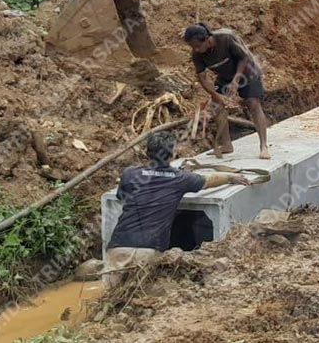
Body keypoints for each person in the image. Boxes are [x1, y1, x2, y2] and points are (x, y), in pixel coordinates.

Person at [104, 131, 253, 287]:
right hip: (149, 249)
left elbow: (122, 196)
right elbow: (209, 180)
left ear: (146, 152)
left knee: (108, 295)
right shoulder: (181, 178)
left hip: (119, 245)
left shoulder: (130, 173)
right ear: (173, 153)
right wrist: (230, 177)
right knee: (139, 295)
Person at [184, 23, 271, 159]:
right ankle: (226, 145)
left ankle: (263, 146)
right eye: (192, 47)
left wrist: (236, 81)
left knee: (252, 103)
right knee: (216, 107)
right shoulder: (197, 54)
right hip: (225, 76)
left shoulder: (226, 38)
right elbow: (202, 78)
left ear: (207, 39)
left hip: (248, 72)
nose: (196, 49)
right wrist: (216, 95)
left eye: (197, 46)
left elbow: (244, 58)